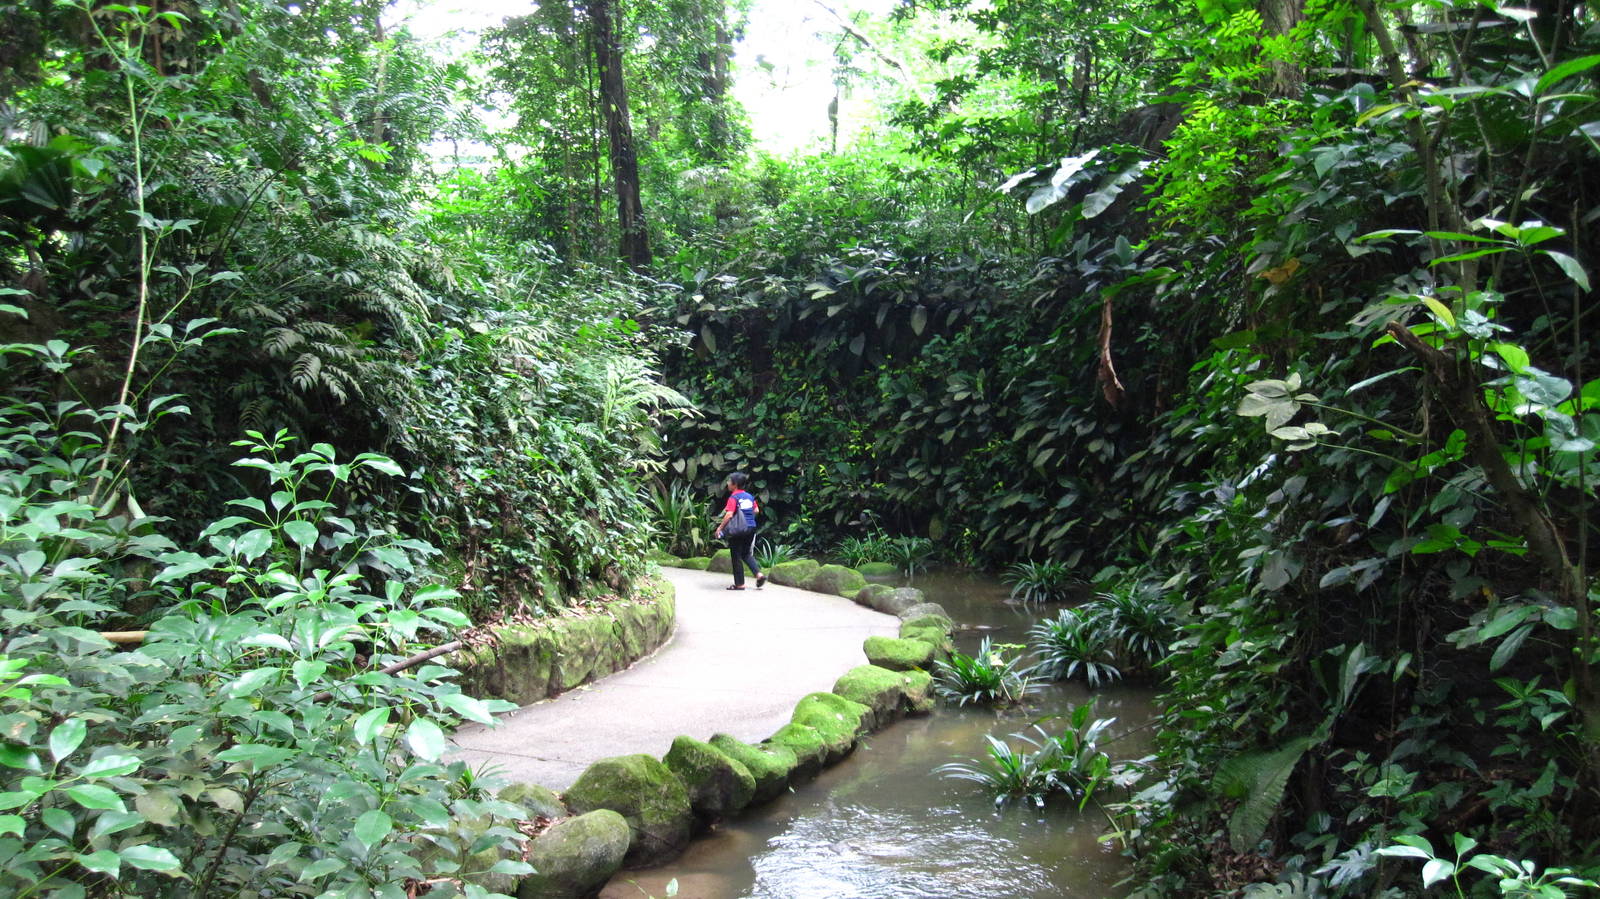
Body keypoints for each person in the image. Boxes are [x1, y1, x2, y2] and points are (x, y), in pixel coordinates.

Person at [714, 471, 765, 590]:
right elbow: (756, 510)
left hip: (738, 529)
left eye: (729, 481)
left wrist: (720, 528)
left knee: (736, 555)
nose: (727, 483)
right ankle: (759, 575)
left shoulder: (733, 497)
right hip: (751, 527)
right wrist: (747, 519)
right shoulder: (749, 496)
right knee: (746, 553)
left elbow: (729, 515)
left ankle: (739, 584)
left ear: (734, 484)